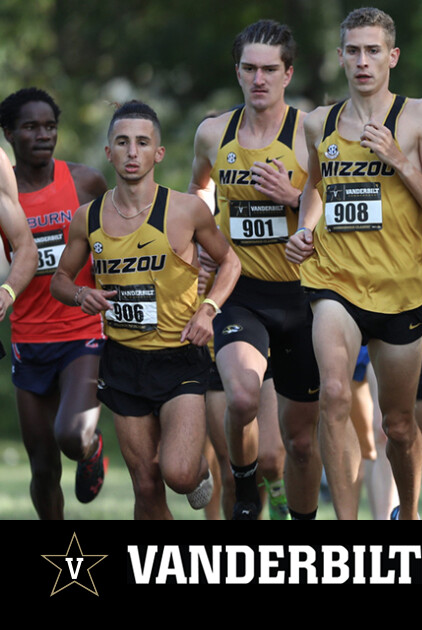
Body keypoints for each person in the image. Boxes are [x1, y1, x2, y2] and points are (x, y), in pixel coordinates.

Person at [285, 7, 422, 520]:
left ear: (392, 57)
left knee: (399, 426)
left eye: (373, 51)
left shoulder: (419, 116)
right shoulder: (319, 123)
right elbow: (314, 185)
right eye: (354, 51)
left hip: (401, 288)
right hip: (333, 283)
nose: (363, 61)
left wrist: (399, 161)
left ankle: (407, 514)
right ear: (340, 57)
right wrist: (303, 228)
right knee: (334, 394)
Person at [50, 101, 241, 519]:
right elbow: (59, 280)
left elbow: (231, 261)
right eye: (122, 142)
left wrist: (208, 310)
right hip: (122, 360)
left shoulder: (186, 210)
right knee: (146, 484)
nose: (132, 152)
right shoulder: (89, 217)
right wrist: (82, 296)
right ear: (109, 153)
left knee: (176, 473)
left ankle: (195, 471)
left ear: (159, 153)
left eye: (142, 142)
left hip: (180, 356)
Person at [190, 19, 321, 520]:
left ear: (288, 74)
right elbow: (197, 191)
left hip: (304, 296)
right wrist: (201, 241)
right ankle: (244, 491)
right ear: (238, 71)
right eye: (249, 69)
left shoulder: (311, 132)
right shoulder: (212, 133)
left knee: (300, 443)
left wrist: (292, 198)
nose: (259, 79)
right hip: (241, 291)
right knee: (241, 395)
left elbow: (338, 206)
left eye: (270, 69)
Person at [1, 88, 108, 519]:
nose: (43, 135)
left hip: (81, 332)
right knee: (42, 467)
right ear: (9, 134)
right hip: (29, 339)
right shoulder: (4, 195)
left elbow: (113, 245)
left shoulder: (84, 181)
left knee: (71, 435)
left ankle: (92, 448)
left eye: (50, 126)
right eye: (30, 127)